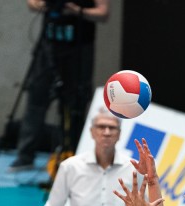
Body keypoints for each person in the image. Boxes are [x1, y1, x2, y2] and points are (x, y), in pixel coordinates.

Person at [9, 0, 110, 171]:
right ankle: (25, 155)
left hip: (78, 50)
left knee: (74, 105)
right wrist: (45, 5)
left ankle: (72, 156)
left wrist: (76, 10)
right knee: (36, 98)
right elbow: (31, 3)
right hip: (48, 48)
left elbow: (103, 13)